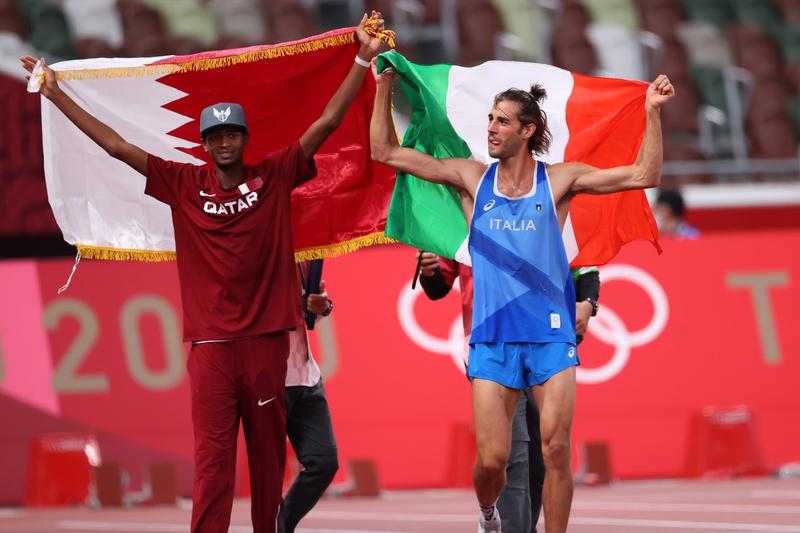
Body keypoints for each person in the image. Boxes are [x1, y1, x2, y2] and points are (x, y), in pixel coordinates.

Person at [21, 13, 386, 533]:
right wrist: (57, 96)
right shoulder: (182, 183)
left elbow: (325, 124)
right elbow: (119, 147)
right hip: (211, 348)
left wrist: (360, 59)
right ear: (205, 143)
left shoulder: (275, 173)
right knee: (213, 464)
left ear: (244, 137)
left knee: (266, 463)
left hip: (265, 344)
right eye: (214, 136)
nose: (223, 143)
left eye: (231, 134)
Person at [371, 61, 673, 532]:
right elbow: (385, 152)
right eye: (490, 119)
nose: (490, 128)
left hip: (550, 335)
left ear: (528, 130)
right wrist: (385, 85)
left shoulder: (559, 181)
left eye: (502, 121)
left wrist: (652, 112)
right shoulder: (472, 179)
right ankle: (488, 514)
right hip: (492, 337)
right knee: (492, 461)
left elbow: (644, 175)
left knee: (555, 449)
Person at [417, 252, 600, 532]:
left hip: (545, 345)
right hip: (492, 344)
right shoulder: (465, 212)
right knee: (509, 458)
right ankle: (495, 519)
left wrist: (586, 304)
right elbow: (438, 285)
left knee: (541, 463)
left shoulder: (547, 210)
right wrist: (429, 271)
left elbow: (585, 264)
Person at [279, 265, 339, 533]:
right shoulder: (252, 243)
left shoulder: (305, 249)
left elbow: (312, 301)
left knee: (324, 462)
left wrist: (321, 305)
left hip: (305, 375)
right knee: (267, 473)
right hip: (269, 380)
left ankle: (283, 525)